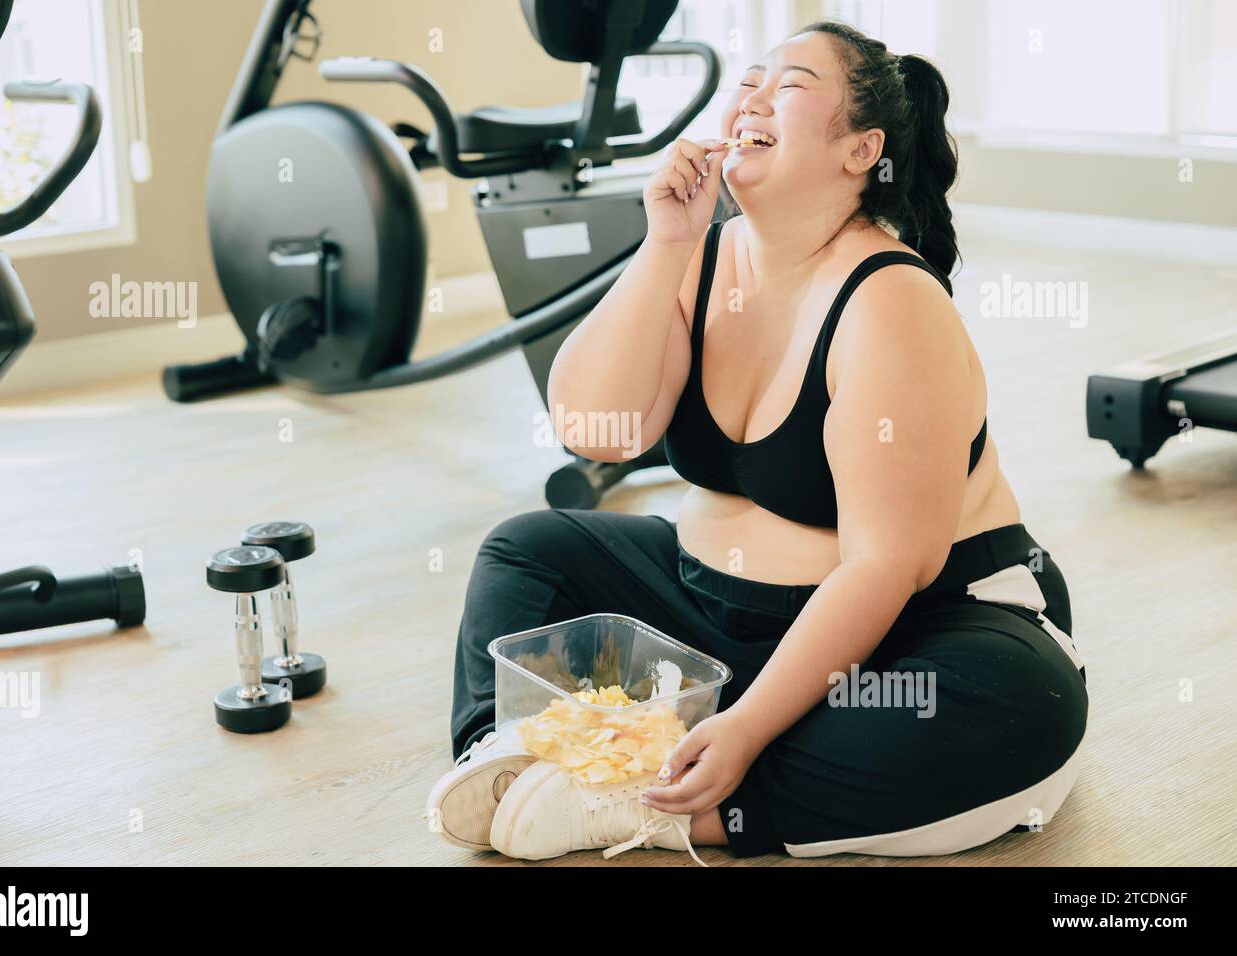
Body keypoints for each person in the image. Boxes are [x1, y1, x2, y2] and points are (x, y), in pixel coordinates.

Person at [427, 19, 1088, 864]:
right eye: (749, 80)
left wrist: (744, 725)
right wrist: (666, 242)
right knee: (529, 549)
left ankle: (652, 806)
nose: (753, 97)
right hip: (716, 617)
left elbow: (887, 567)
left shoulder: (891, 300)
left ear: (861, 150)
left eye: (792, 83)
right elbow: (597, 427)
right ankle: (507, 760)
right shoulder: (702, 260)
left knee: (1011, 708)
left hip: (917, 630)